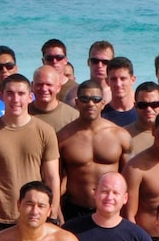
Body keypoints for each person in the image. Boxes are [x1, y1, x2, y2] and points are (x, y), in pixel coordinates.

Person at [0, 74, 61, 238]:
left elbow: (52, 177)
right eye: (10, 93)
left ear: (30, 97)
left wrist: (52, 215)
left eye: (21, 94)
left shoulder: (45, 131)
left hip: (35, 216)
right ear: (2, 96)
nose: (15, 99)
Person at [55, 82, 132, 222]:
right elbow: (55, 178)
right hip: (75, 209)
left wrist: (128, 214)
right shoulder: (63, 137)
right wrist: (56, 209)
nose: (90, 104)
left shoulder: (120, 135)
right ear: (77, 103)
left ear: (103, 103)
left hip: (112, 210)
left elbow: (128, 179)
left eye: (95, 99)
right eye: (85, 99)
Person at [29, 64, 80, 134]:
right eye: (39, 84)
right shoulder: (22, 114)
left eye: (49, 84)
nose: (44, 89)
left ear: (58, 87)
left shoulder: (73, 117)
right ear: (32, 86)